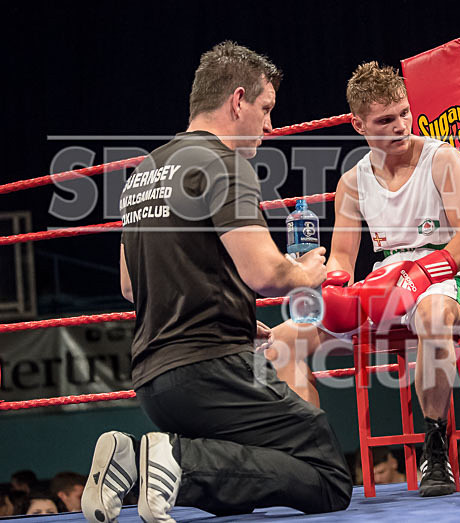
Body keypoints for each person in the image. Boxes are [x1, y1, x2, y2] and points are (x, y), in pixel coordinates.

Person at [80, 41, 352, 523]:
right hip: (211, 372)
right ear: (237, 100)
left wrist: (234, 319)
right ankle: (177, 461)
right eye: (266, 109)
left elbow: (130, 284)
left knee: (242, 487)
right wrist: (311, 272)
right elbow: (267, 273)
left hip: (154, 382)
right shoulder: (225, 162)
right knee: (328, 474)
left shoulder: (145, 171)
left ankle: (137, 464)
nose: (270, 126)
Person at [270, 61, 460, 497]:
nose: (400, 125)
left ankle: (435, 445)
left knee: (431, 317)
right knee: (282, 341)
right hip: (386, 275)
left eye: (404, 113)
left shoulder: (441, 158)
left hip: (449, 269)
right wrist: (333, 291)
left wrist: (422, 274)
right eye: (386, 120)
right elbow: (343, 259)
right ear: (358, 124)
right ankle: (315, 458)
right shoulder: (353, 182)